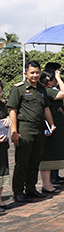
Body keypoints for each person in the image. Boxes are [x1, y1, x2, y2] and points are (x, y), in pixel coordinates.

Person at [8, 60, 60, 202]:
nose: (35, 75)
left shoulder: (42, 89)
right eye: (32, 72)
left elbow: (46, 108)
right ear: (26, 74)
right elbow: (13, 110)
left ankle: (31, 189)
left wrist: (52, 124)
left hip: (39, 129)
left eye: (37, 72)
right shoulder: (18, 89)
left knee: (35, 161)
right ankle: (18, 191)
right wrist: (14, 131)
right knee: (22, 162)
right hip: (25, 129)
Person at [39, 69, 64, 193]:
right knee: (50, 153)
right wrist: (58, 77)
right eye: (54, 79)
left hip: (57, 124)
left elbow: (63, 91)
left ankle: (51, 180)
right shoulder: (48, 90)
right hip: (51, 126)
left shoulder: (51, 90)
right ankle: (48, 182)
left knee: (54, 152)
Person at [0, 84, 11, 212]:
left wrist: (8, 119)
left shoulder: (2, 104)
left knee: (2, 171)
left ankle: (0, 199)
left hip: (3, 143)